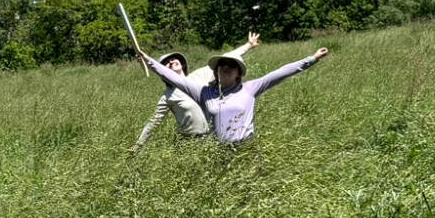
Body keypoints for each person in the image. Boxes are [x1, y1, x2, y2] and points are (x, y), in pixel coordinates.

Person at [138, 43, 330, 144]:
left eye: (232, 65)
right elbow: (175, 79)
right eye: (222, 65)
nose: (226, 67)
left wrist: (312, 59)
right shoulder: (204, 93)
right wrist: (149, 61)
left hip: (247, 148)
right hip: (219, 152)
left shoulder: (250, 88)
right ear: (216, 71)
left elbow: (281, 72)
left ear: (239, 72)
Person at [132, 33, 260, 152]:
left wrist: (248, 45)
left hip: (214, 138)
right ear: (162, 71)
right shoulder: (167, 96)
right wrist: (138, 146)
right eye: (166, 63)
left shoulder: (201, 74)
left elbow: (227, 57)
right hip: (190, 144)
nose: (171, 62)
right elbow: (154, 122)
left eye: (173, 59)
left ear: (181, 63)